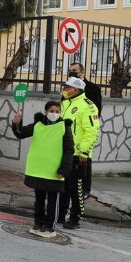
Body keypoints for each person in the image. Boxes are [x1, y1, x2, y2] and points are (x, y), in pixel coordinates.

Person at [12, 101, 73, 239]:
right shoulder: (37, 125)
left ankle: (50, 227)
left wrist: (64, 169)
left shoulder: (64, 126)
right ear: (46, 111)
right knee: (39, 199)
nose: (54, 113)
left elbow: (69, 151)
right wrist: (16, 123)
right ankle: (38, 223)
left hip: (54, 172)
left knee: (53, 200)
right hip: (37, 169)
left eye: (57, 111)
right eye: (52, 110)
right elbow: (20, 133)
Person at [58, 77, 101, 229]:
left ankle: (75, 218)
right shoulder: (64, 104)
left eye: (67, 87)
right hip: (64, 153)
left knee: (75, 189)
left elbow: (92, 131)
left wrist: (84, 152)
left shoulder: (88, 106)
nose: (64, 90)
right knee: (62, 187)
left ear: (75, 90)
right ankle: (61, 215)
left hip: (78, 155)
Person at [67, 62, 101, 199]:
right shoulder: (68, 87)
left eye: (74, 70)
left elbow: (97, 109)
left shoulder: (92, 88)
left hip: (85, 129)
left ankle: (85, 190)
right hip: (70, 133)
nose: (72, 73)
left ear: (82, 72)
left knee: (85, 161)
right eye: (70, 70)